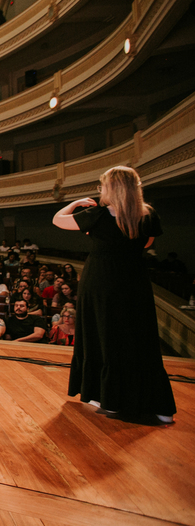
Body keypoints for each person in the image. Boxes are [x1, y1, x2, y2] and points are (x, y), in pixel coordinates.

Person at [52, 166, 175, 422]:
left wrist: (75, 203)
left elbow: (57, 220)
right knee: (139, 339)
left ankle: (110, 399)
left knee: (104, 337)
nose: (100, 191)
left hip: (101, 281)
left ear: (112, 188)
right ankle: (158, 406)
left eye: (102, 186)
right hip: (134, 282)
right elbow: (148, 242)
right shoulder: (147, 215)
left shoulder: (97, 215)